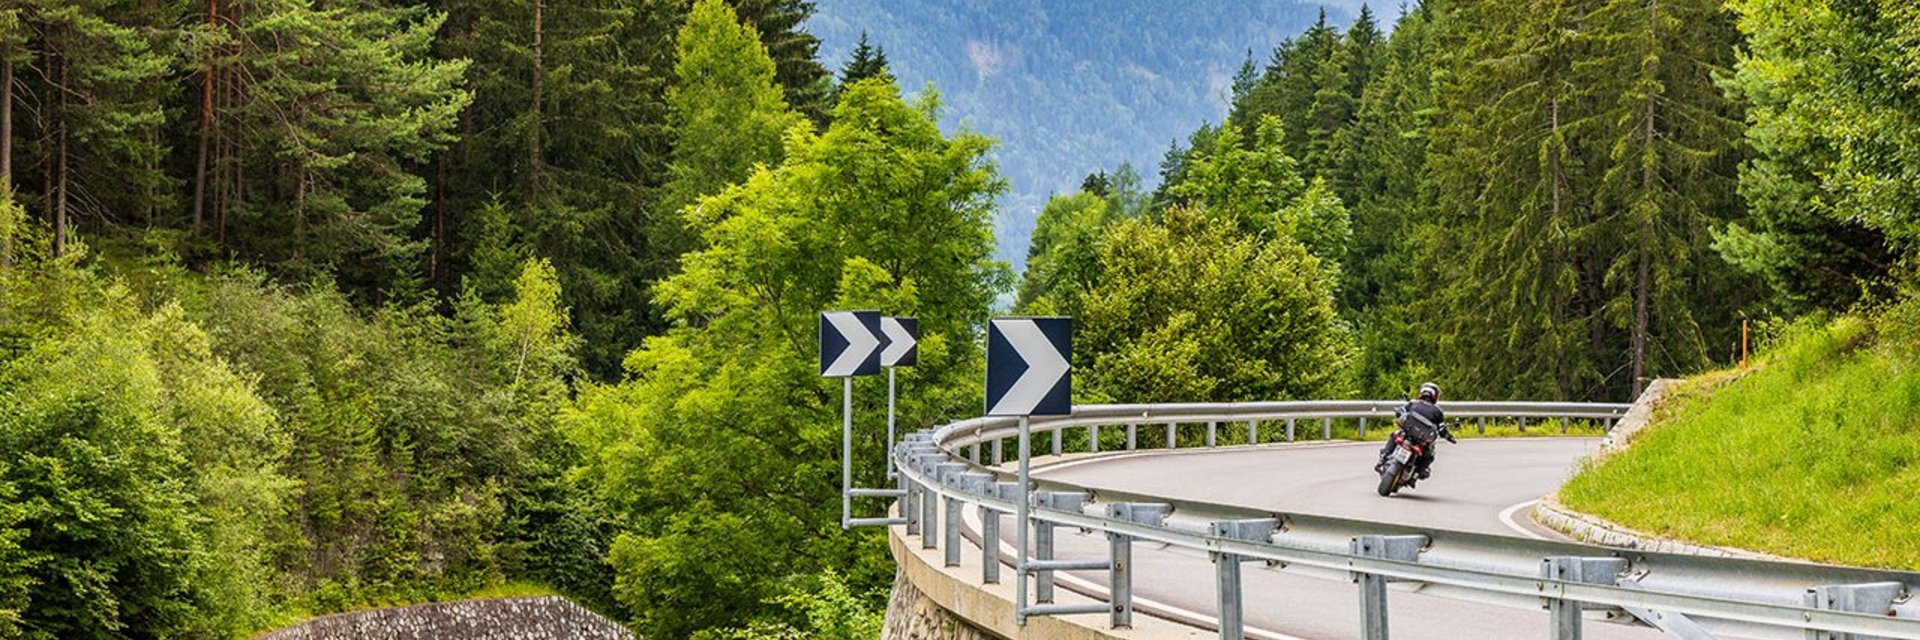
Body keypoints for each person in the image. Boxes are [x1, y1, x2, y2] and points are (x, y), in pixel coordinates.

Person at [1376, 382, 1454, 482]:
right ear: (1434, 395)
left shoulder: (1413, 403)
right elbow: (1442, 429)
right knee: (1429, 453)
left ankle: (1384, 456)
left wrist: (1399, 413)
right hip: (1421, 438)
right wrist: (1448, 436)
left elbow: (1400, 411)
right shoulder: (1437, 411)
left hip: (1408, 433)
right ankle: (1418, 472)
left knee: (1395, 435)